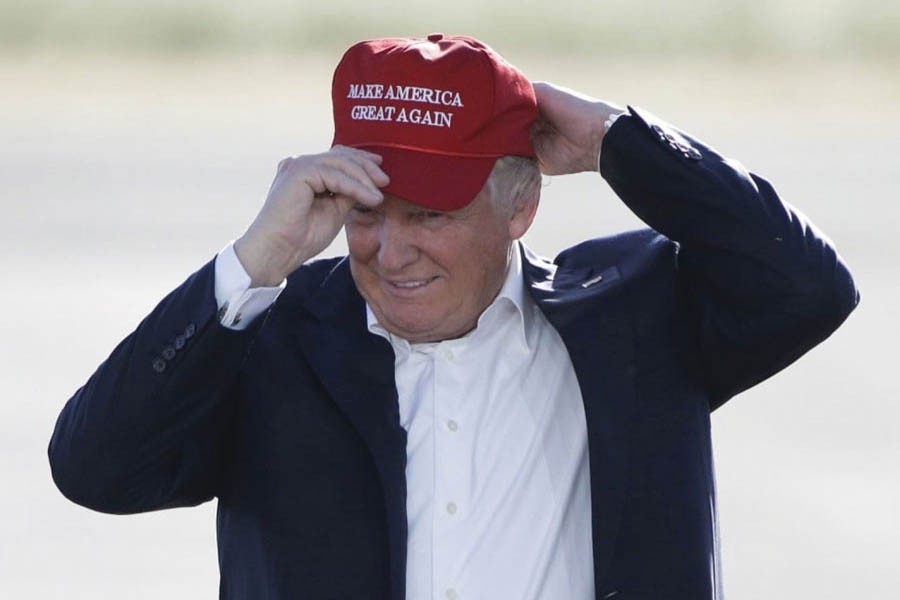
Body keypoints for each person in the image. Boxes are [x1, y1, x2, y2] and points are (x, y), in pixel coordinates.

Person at [48, 34, 859, 600]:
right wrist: (256, 257)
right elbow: (96, 470)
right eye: (366, 211)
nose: (389, 252)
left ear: (522, 204)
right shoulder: (271, 333)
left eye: (429, 216)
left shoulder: (635, 315)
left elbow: (807, 286)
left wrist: (622, 142)